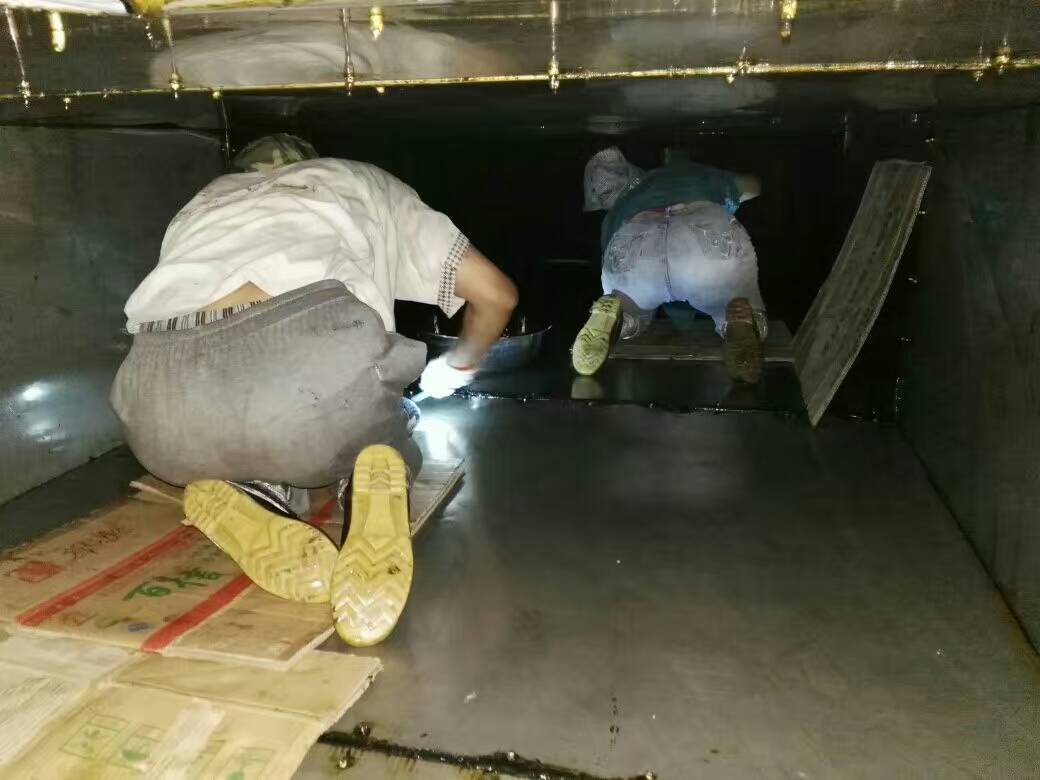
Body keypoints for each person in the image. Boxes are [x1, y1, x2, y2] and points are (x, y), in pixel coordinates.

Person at [111, 134, 517, 646]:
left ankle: (254, 493)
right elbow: (497, 294)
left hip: (153, 411)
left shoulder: (203, 202)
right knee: (382, 423)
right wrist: (460, 364)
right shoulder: (355, 180)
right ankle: (366, 477)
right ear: (310, 162)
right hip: (305, 371)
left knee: (258, 432)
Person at [573, 146, 768, 383]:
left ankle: (621, 318)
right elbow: (753, 186)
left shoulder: (626, 201)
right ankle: (742, 323)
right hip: (700, 238)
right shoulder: (699, 175)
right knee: (735, 295)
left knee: (629, 304)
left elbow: (608, 252)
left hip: (637, 237)